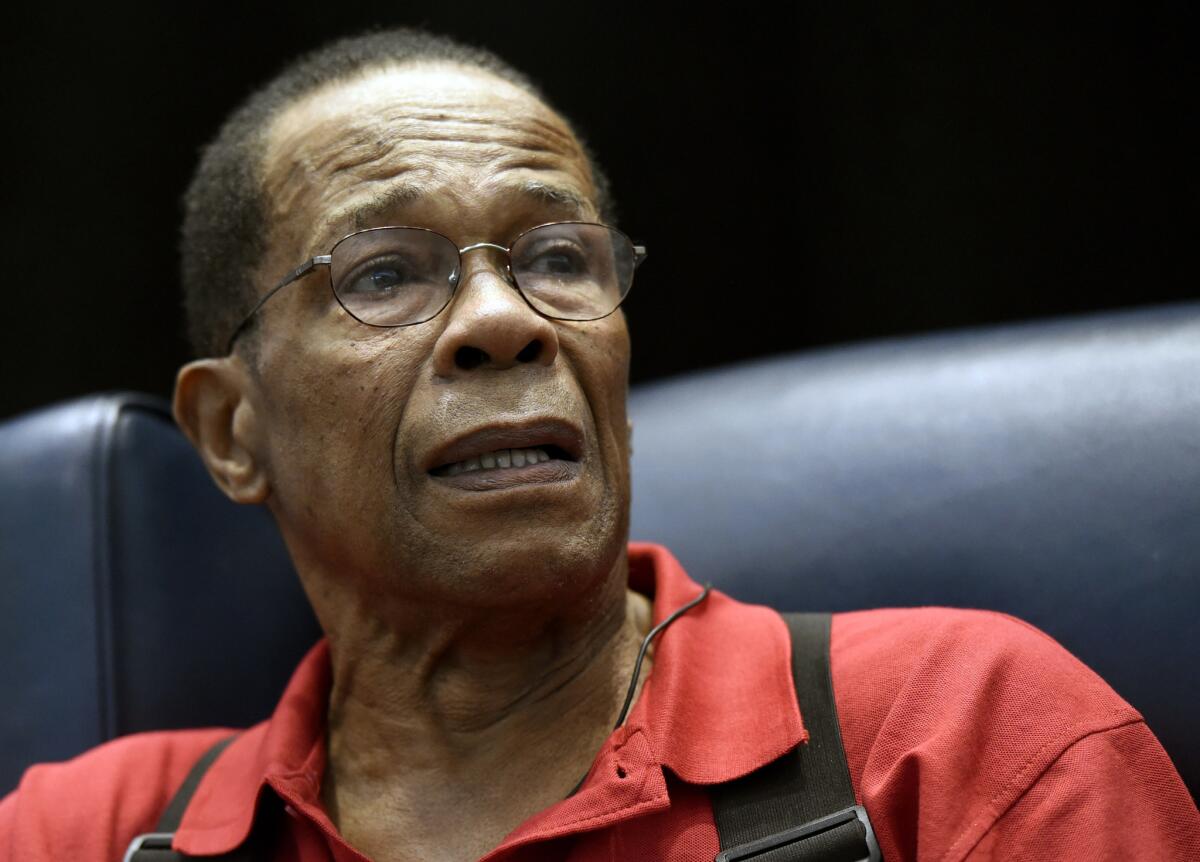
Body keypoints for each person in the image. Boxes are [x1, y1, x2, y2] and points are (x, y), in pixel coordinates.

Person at [2, 27, 1197, 862]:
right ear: (231, 429)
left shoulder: (961, 739)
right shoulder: (85, 833)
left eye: (559, 260)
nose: (503, 321)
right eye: (382, 275)